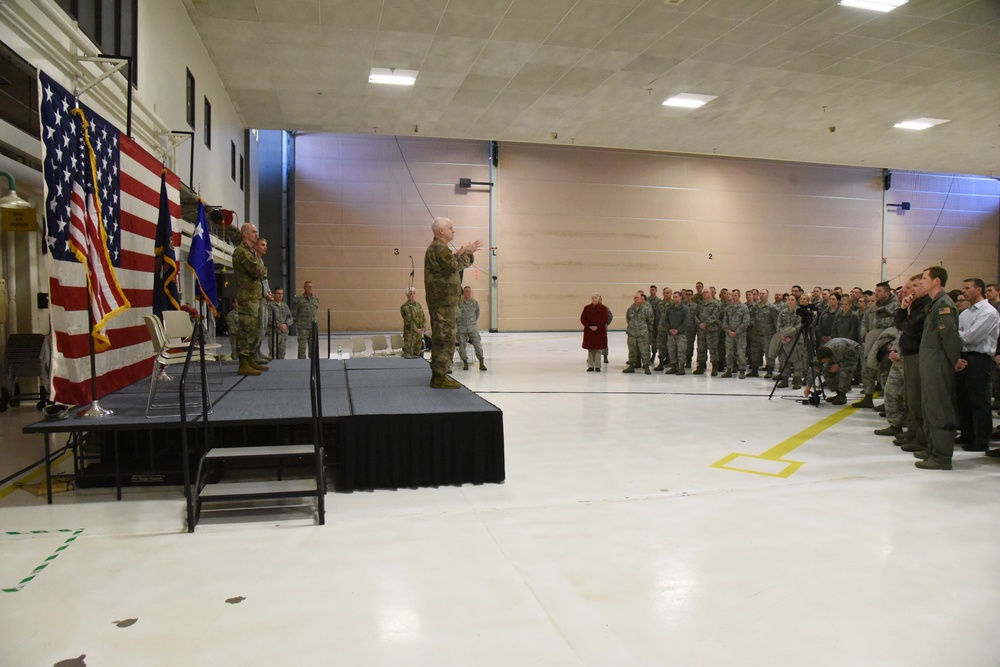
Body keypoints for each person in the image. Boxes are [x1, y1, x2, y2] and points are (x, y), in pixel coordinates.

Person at [424, 217, 481, 388]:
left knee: (441, 337)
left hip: (441, 301)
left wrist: (456, 255)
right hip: (443, 302)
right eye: (450, 228)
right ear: (441, 231)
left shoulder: (438, 249)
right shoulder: (440, 248)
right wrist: (468, 252)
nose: (453, 230)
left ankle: (438, 374)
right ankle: (439, 376)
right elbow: (455, 265)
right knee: (446, 338)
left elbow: (447, 267)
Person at [914, 266, 961, 470]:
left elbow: (949, 336)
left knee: (939, 407)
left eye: (925, 278)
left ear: (937, 281)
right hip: (930, 362)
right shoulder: (934, 304)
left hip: (939, 363)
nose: (921, 281)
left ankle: (942, 456)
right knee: (929, 405)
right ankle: (933, 448)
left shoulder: (944, 304)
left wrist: (954, 360)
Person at [954, 278, 999, 452]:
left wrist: (959, 334)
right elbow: (959, 336)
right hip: (963, 357)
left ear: (979, 289)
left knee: (979, 400)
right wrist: (960, 335)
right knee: (963, 399)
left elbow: (971, 337)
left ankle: (981, 439)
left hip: (979, 359)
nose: (963, 291)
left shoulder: (988, 312)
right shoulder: (965, 313)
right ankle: (967, 433)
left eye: (967, 288)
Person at [232, 223, 267, 376]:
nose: (256, 235)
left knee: (254, 329)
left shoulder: (251, 252)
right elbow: (257, 271)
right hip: (247, 298)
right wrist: (262, 270)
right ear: (245, 234)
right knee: (246, 329)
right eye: (253, 232)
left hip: (254, 297)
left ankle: (250, 357)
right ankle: (243, 362)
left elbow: (261, 271)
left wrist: (262, 270)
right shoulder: (242, 252)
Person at [811, 338, 861, 404]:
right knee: (826, 370)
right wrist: (808, 385)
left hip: (853, 353)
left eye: (824, 360)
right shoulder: (821, 354)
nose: (823, 362)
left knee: (845, 371)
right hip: (837, 355)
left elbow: (853, 358)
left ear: (828, 357)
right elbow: (815, 367)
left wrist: (839, 365)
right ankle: (838, 394)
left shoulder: (840, 347)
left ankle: (842, 395)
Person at [252, 237, 273, 363]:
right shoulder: (254, 260)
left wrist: (268, 292)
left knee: (263, 327)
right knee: (258, 327)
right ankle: (253, 353)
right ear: (255, 246)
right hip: (258, 299)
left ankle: (258, 350)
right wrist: (266, 294)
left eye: (266, 245)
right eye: (262, 244)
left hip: (263, 298)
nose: (265, 247)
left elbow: (265, 280)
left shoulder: (260, 261)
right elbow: (258, 280)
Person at [457, 286, 486, 371]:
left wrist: (472, 322)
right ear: (464, 292)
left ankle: (481, 362)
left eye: (470, 291)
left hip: (472, 327)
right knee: (462, 346)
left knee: (478, 345)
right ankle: (465, 362)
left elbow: (477, 313)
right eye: (466, 291)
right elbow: (456, 314)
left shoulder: (474, 302)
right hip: (461, 328)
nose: (468, 293)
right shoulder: (459, 303)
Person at [694, 287, 721, 376]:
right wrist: (700, 324)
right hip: (701, 331)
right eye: (704, 292)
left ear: (711, 293)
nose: (705, 293)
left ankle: (714, 367)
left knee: (713, 350)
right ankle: (701, 366)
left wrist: (706, 323)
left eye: (707, 292)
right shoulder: (700, 304)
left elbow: (715, 316)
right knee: (701, 349)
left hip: (711, 330)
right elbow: (695, 315)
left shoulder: (716, 304)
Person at [623, 291, 653, 374]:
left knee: (645, 350)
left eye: (637, 298)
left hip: (642, 333)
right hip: (632, 333)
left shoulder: (646, 309)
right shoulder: (631, 308)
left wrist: (649, 332)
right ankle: (631, 366)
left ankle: (646, 367)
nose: (636, 299)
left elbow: (651, 321)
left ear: (641, 299)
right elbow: (628, 319)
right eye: (634, 298)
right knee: (632, 350)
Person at [722, 290, 749, 378]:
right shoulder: (728, 308)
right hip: (729, 334)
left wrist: (737, 332)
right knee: (729, 353)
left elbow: (745, 322)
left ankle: (742, 370)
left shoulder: (744, 307)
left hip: (740, 335)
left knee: (741, 353)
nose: (733, 297)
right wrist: (729, 331)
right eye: (732, 295)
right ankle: (729, 369)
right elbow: (725, 321)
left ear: (739, 296)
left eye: (735, 295)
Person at [664, 290, 691, 375]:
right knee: (672, 351)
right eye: (674, 297)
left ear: (680, 297)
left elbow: (686, 322)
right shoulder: (670, 308)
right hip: (671, 334)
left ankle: (681, 368)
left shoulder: (685, 309)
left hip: (681, 334)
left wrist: (678, 330)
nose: (674, 299)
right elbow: (666, 320)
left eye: (676, 297)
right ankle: (674, 367)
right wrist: (669, 329)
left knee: (681, 351)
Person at [581, 293, 609, 372]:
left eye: (595, 298)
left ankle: (597, 366)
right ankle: (590, 366)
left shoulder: (603, 308)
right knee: (590, 349)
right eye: (593, 298)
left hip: (599, 331)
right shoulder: (586, 308)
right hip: (589, 331)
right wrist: (589, 326)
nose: (594, 299)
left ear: (599, 299)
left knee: (598, 349)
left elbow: (605, 319)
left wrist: (597, 326)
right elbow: (583, 318)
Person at [293, 280, 320, 359]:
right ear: (304, 288)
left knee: (313, 347)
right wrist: (298, 322)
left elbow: (315, 310)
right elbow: (294, 312)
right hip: (303, 327)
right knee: (302, 347)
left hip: (313, 327)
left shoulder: (315, 298)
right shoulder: (299, 299)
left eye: (311, 287)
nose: (310, 288)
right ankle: (302, 364)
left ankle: (313, 364)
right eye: (308, 286)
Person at [400, 287, 427, 358]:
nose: (412, 295)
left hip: (419, 335)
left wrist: (423, 328)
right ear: (407, 295)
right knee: (408, 355)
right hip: (410, 335)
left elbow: (423, 317)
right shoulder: (405, 307)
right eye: (410, 294)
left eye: (414, 293)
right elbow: (409, 321)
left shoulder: (418, 306)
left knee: (417, 355)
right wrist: (416, 330)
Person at [269, 288, 293, 360]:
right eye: (278, 293)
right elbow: (269, 318)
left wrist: (286, 324)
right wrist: (279, 325)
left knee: (282, 353)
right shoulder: (270, 305)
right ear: (274, 294)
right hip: (274, 333)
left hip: (283, 333)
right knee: (273, 353)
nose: (280, 295)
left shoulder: (284, 305)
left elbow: (290, 317)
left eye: (281, 294)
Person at [226, 297, 239, 362]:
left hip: (245, 337)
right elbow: (231, 327)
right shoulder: (231, 314)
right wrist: (240, 332)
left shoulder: (244, 313)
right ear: (233, 304)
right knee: (235, 353)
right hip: (235, 337)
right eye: (236, 302)